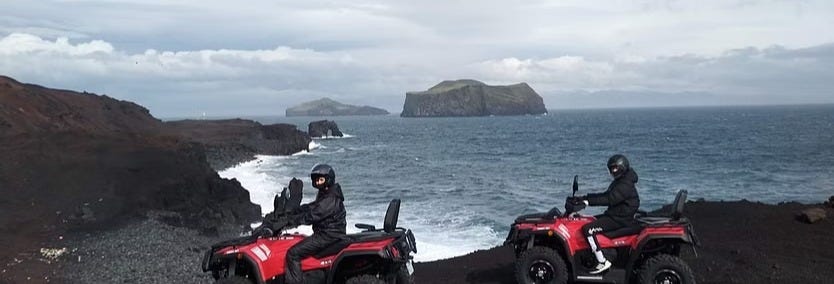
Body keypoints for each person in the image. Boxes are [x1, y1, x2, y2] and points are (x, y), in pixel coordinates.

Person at [259, 164, 347, 284]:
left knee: (292, 253)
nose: (318, 182)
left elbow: (313, 215)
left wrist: (290, 222)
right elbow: (312, 207)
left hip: (328, 235)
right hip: (328, 233)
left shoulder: (330, 198)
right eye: (316, 180)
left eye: (321, 179)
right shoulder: (327, 194)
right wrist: (295, 211)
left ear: (329, 179)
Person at [569, 154, 640, 274]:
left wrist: (587, 202)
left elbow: (609, 199)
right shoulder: (621, 180)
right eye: (611, 169)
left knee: (588, 229)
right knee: (588, 220)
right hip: (616, 215)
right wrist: (583, 198)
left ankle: (602, 261)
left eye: (615, 168)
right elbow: (605, 195)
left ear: (623, 167)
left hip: (619, 219)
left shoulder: (625, 184)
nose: (613, 171)